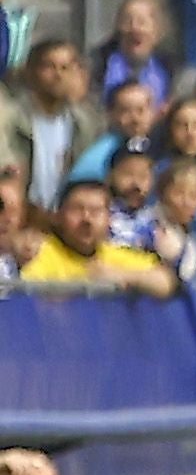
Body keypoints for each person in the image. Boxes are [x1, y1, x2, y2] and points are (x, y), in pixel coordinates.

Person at [21, 179, 173, 294]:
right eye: (77, 209)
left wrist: (120, 275)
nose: (86, 219)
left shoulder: (114, 255)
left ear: (109, 218)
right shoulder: (38, 253)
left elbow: (166, 282)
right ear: (58, 215)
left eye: (96, 211)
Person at [9, 40, 101, 211]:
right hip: (23, 218)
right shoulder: (11, 119)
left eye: (65, 68)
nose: (58, 75)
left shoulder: (85, 124)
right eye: (49, 67)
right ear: (31, 71)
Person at [90, 0, 170, 103]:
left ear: (157, 31)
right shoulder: (97, 64)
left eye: (142, 22)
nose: (134, 28)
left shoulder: (170, 69)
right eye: (127, 21)